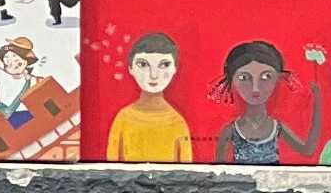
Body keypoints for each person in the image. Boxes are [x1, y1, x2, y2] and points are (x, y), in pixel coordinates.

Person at [108, 32, 198, 162]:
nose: (153, 75)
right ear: (130, 68)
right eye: (143, 65)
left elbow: (187, 170)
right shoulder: (123, 119)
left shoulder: (178, 123)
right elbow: (111, 168)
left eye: (164, 65)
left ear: (174, 68)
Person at [216, 37, 296, 165]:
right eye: (244, 77)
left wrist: (318, 104)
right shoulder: (231, 131)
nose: (255, 88)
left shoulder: (277, 127)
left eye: (266, 76)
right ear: (232, 81)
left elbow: (308, 150)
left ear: (278, 78)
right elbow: (219, 169)